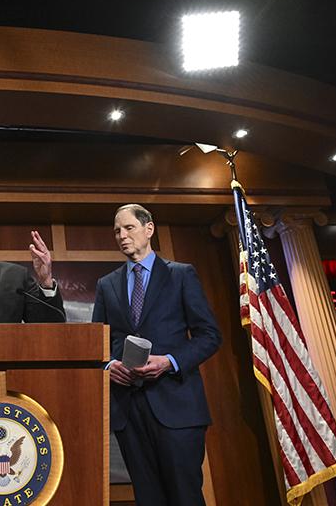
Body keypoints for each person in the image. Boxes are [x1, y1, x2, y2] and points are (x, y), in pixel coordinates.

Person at [93, 204, 222, 505]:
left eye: (128, 228)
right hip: (129, 411)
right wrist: (110, 364)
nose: (121, 236)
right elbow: (98, 341)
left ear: (149, 229)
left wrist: (169, 362)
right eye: (116, 231)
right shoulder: (107, 285)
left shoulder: (181, 275)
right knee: (148, 498)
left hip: (177, 408)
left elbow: (209, 335)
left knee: (184, 496)